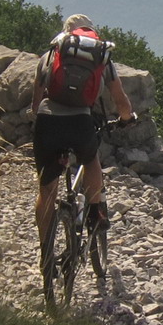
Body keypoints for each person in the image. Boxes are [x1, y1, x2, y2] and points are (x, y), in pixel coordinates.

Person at [30, 13, 135, 253]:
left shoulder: (50, 56)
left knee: (46, 191)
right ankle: (95, 213)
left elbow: (36, 104)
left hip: (48, 123)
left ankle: (46, 251)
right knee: (91, 161)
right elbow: (120, 100)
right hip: (80, 122)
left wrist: (36, 117)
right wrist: (127, 118)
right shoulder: (101, 58)